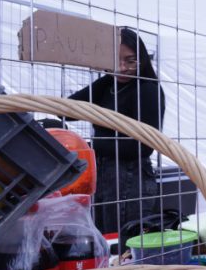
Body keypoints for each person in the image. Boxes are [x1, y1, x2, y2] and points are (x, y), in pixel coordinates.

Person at [69, 27, 165, 236]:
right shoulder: (108, 85)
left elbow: (144, 146)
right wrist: (108, 74)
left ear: (142, 59)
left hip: (131, 175)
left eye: (130, 61)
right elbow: (68, 110)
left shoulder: (147, 89)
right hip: (102, 172)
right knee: (104, 237)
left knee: (124, 241)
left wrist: (90, 145)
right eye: (114, 60)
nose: (122, 68)